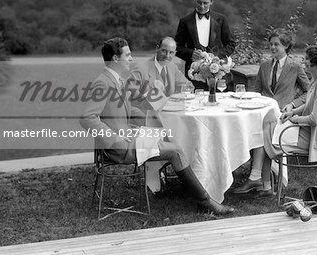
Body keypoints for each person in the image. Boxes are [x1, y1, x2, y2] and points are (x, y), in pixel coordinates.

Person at [80, 37, 234, 215]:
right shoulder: (104, 82)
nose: (131, 59)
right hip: (119, 146)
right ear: (115, 59)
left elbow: (126, 112)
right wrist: (115, 137)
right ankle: (205, 201)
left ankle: (197, 187)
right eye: (128, 55)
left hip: (130, 134)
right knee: (175, 150)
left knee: (173, 137)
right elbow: (87, 118)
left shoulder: (117, 79)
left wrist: (150, 118)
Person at [233, 45, 317, 197]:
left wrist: (294, 119)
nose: (304, 62)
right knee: (267, 125)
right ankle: (262, 183)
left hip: (310, 137)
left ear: (315, 62)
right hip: (302, 129)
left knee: (265, 133)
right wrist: (292, 112)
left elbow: (315, 119)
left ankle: (261, 181)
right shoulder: (316, 80)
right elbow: (307, 106)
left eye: (307, 59)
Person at [175, 0, 236, 88]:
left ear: (212, 1)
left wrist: (217, 56)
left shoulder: (221, 20)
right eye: (199, 2)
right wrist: (191, 53)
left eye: (205, 3)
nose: (202, 6)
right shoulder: (185, 21)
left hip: (218, 73)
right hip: (194, 75)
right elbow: (176, 47)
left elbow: (231, 44)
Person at [129, 36, 191, 122]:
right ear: (157, 48)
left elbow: (188, 86)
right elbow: (130, 97)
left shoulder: (172, 67)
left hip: (169, 116)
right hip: (146, 119)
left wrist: (179, 96)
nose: (167, 56)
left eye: (171, 52)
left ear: (175, 53)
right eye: (164, 51)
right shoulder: (140, 69)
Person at [254, 29, 309, 110]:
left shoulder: (295, 67)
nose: (272, 47)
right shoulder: (264, 66)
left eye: (276, 44)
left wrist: (293, 104)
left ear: (286, 46)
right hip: (263, 111)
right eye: (271, 44)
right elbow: (257, 91)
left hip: (284, 113)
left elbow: (309, 91)